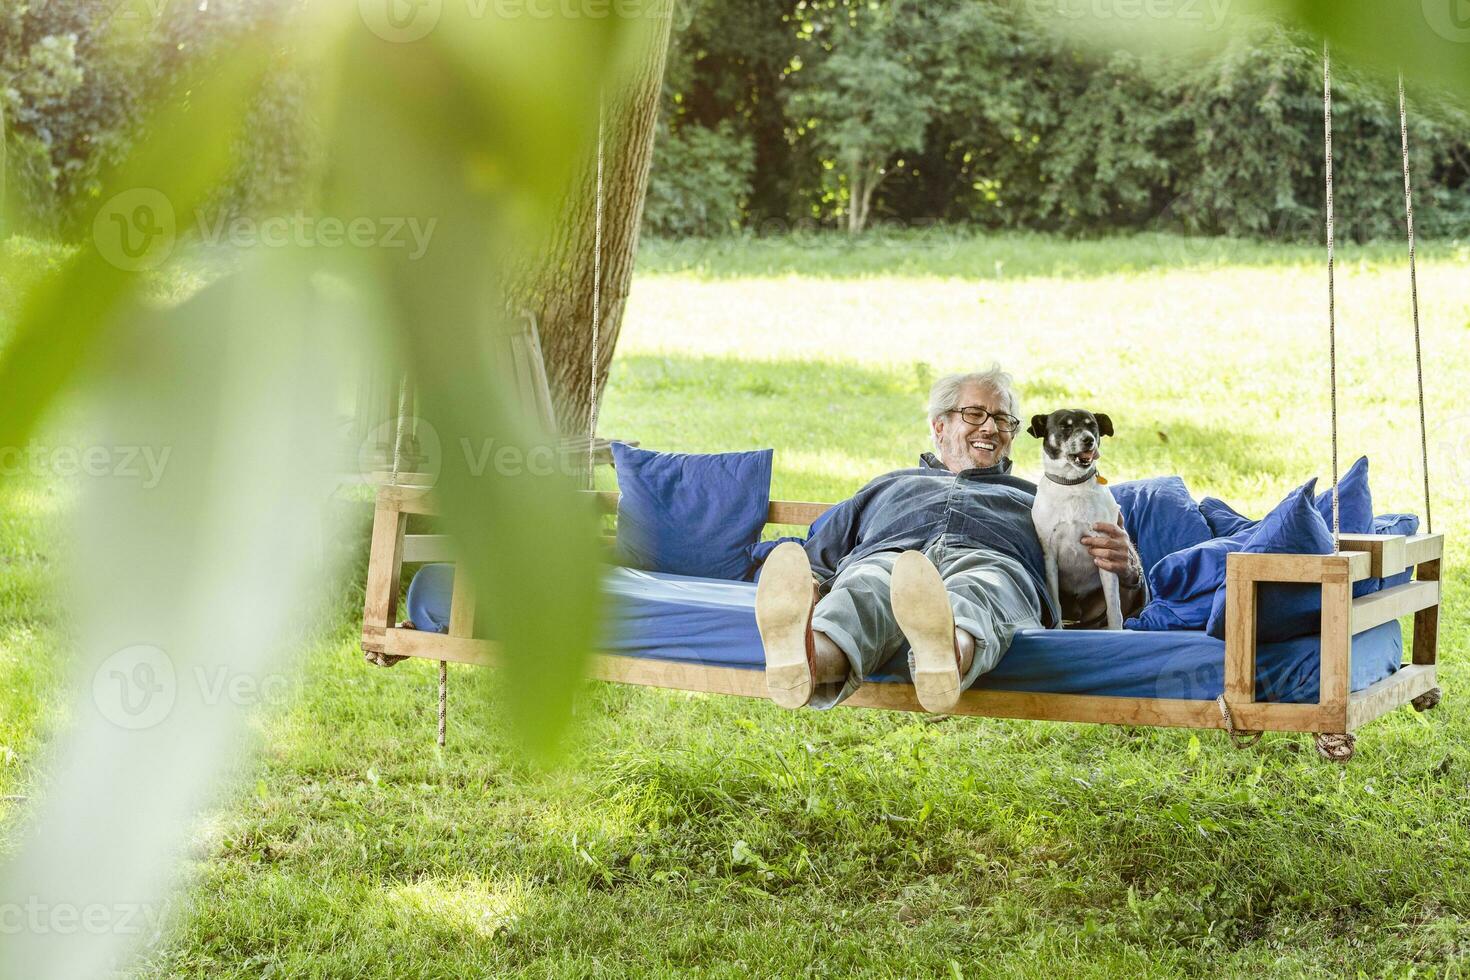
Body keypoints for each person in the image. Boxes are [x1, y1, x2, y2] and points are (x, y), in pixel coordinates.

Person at [755, 365, 1146, 713]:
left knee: (980, 588)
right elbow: (820, 554)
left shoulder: (1043, 500)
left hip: (993, 560)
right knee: (866, 584)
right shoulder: (888, 485)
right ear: (939, 426)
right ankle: (806, 661)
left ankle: (943, 656)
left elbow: (1086, 599)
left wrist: (1128, 569)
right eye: (974, 414)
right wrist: (808, 586)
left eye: (1003, 421)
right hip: (892, 555)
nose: (991, 428)